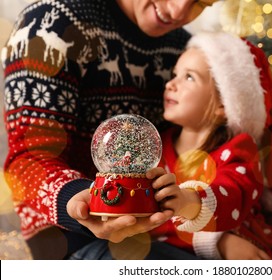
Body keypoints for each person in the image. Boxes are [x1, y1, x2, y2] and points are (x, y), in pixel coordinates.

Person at [1, 0, 220, 259]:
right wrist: (79, 202)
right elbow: (27, 159)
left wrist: (217, 236)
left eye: (201, 3)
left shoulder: (182, 49)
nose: (178, 12)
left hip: (164, 228)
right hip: (69, 238)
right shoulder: (50, 25)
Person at [146, 31, 272, 260]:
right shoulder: (155, 148)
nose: (171, 84)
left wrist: (189, 202)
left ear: (224, 104)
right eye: (175, 75)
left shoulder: (239, 150)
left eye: (189, 77)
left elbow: (231, 193)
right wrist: (216, 240)